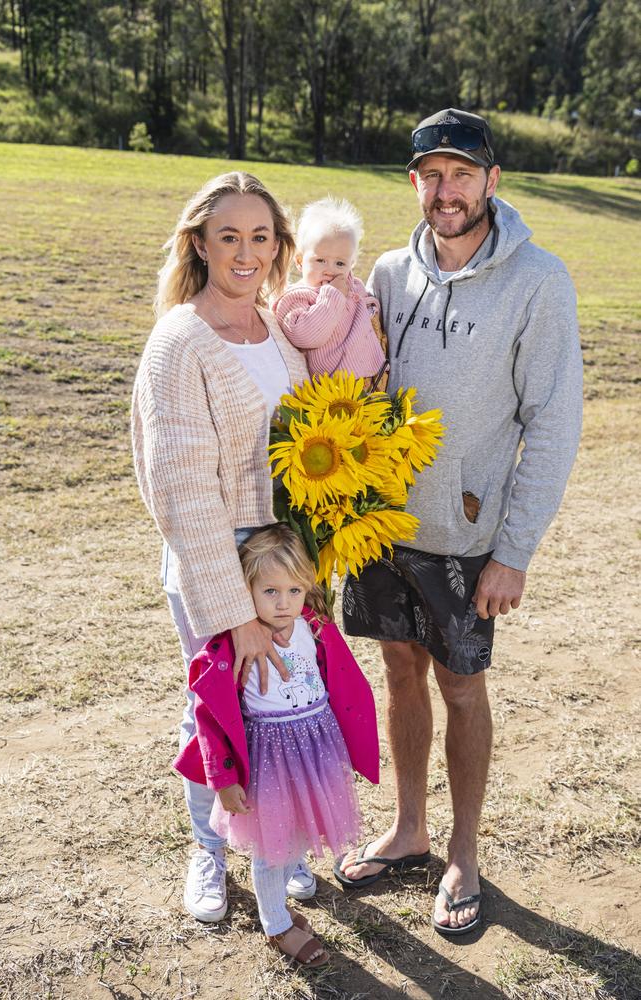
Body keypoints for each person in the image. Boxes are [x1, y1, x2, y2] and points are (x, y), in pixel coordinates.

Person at [335, 109, 583, 935]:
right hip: (382, 528)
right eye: (430, 175)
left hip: (470, 540)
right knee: (399, 675)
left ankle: (463, 855)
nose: (446, 192)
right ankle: (409, 830)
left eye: (462, 174)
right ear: (415, 183)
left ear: (492, 181)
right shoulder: (386, 274)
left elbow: (552, 423)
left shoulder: (538, 281)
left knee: (462, 688)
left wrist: (513, 551)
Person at [131, 171, 314, 924]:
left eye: (260, 237)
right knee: (215, 709)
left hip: (288, 564)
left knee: (287, 701)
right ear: (199, 243)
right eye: (229, 235)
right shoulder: (181, 339)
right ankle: (208, 851)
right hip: (216, 559)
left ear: (278, 249)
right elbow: (179, 488)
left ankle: (280, 843)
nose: (245, 251)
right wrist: (232, 608)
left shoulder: (277, 328)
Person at [174, 525, 380, 965]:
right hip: (270, 760)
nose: (283, 602)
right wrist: (223, 779)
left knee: (302, 834)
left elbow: (343, 687)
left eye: (293, 589)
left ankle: (279, 904)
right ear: (244, 591)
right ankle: (276, 924)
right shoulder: (228, 648)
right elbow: (209, 719)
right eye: (269, 590)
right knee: (273, 848)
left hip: (315, 752)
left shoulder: (315, 628)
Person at [272, 196, 386, 378]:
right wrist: (332, 296)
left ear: (352, 264)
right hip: (333, 391)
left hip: (374, 377)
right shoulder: (297, 298)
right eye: (320, 260)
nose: (330, 270)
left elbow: (366, 304)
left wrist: (371, 309)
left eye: (340, 263)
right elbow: (306, 336)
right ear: (300, 261)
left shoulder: (352, 285)